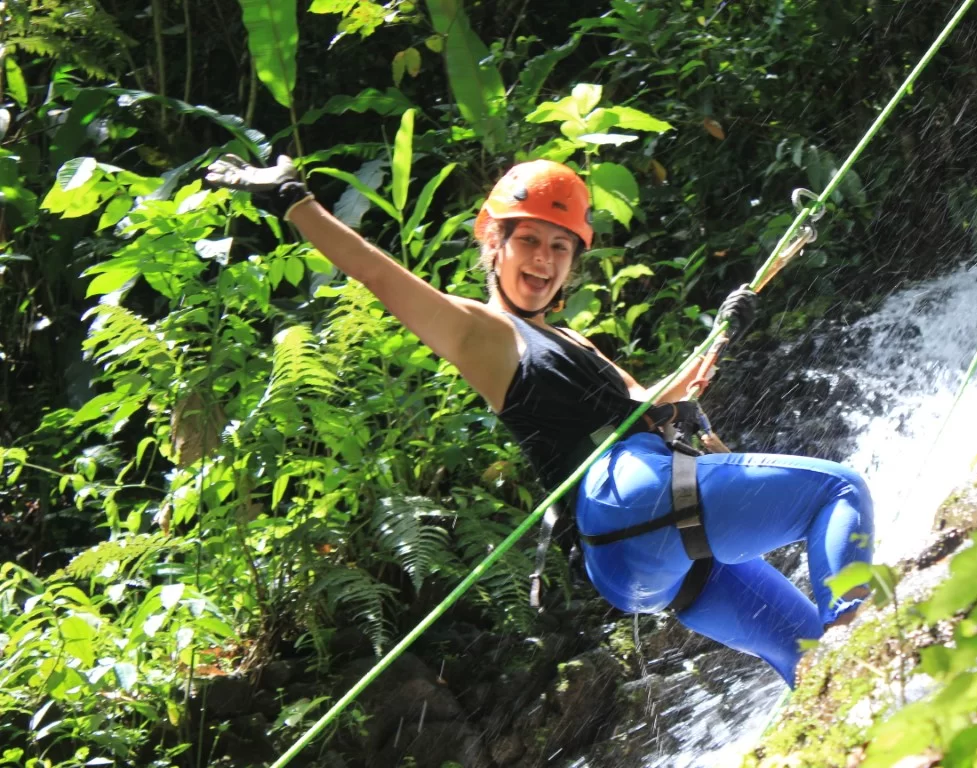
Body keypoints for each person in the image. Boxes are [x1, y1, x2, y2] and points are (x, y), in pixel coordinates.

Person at [205, 155, 874, 687]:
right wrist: (297, 201)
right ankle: (874, 639)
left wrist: (722, 332)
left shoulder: (572, 344)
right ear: (492, 243)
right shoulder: (484, 336)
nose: (543, 262)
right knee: (837, 491)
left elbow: (659, 399)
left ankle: (854, 701)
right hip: (627, 498)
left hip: (635, 560)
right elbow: (378, 277)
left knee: (810, 654)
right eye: (527, 241)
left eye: (559, 248)